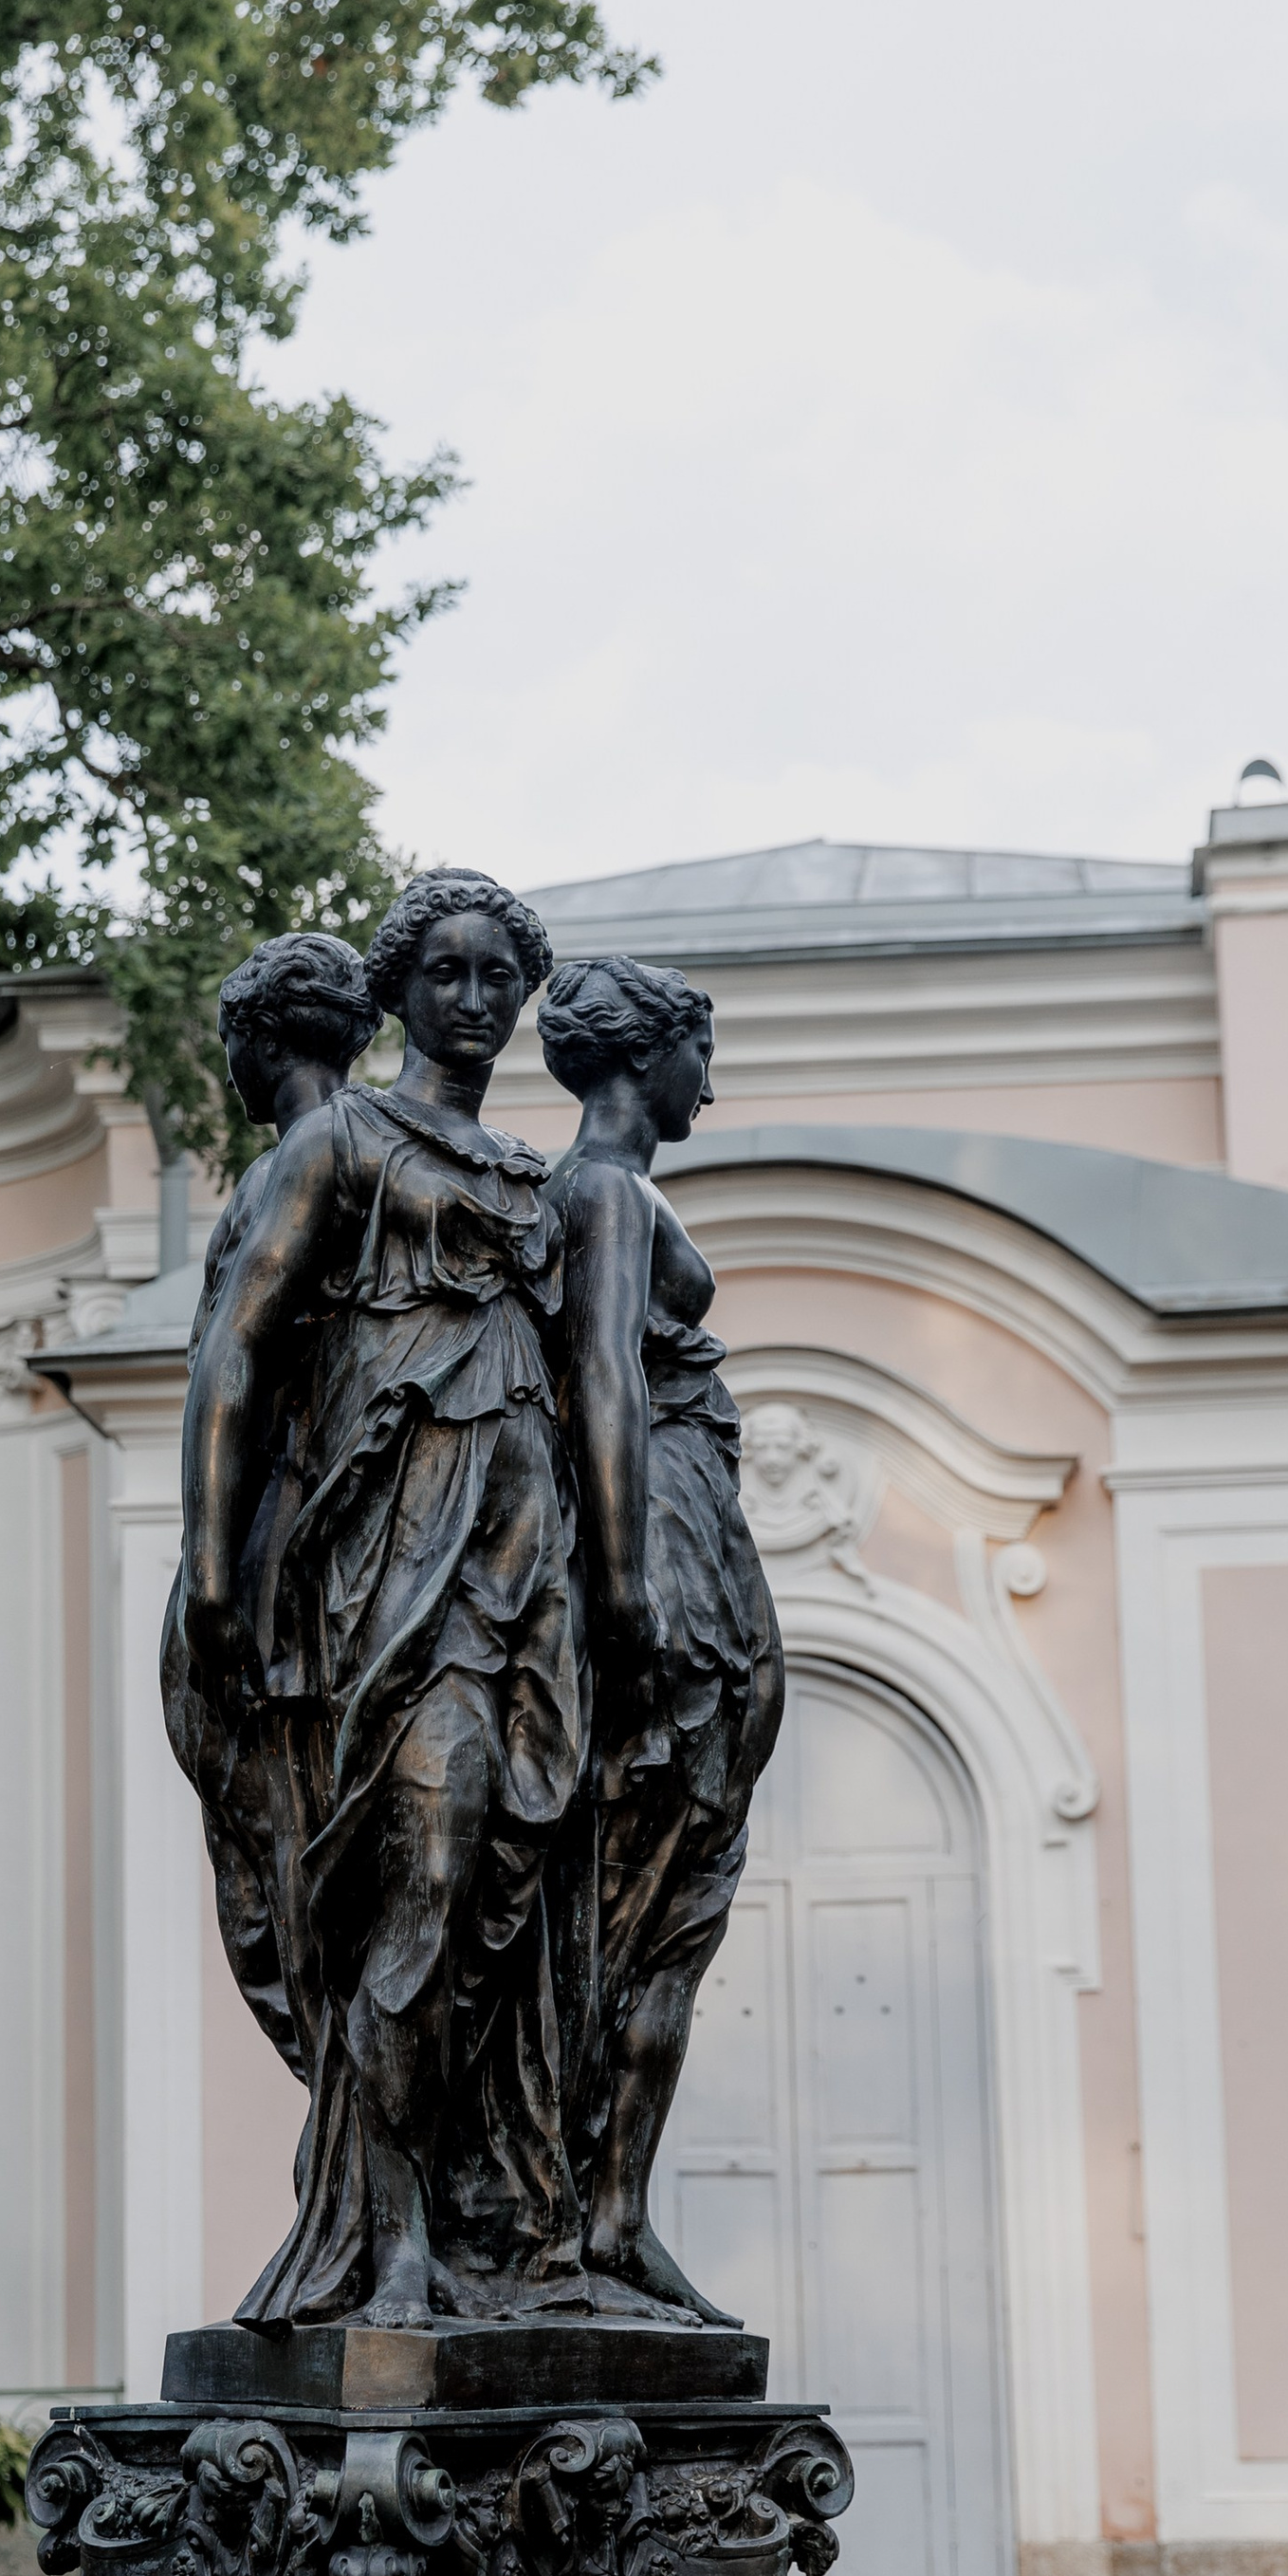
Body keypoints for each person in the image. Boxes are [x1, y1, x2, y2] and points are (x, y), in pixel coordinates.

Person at [174, 870, 580, 2324]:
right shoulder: (337, 1144)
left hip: (527, 1565)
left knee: (508, 1897)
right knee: (426, 1853)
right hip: (389, 1569)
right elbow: (234, 1355)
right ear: (398, 991)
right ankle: (386, 2238)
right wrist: (219, 1577)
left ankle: (488, 2225)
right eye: (451, 973)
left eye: (500, 979)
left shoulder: (535, 1179)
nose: (478, 1001)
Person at [540, 952, 783, 2315]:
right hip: (665, 1550)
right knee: (641, 1903)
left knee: (670, 1906)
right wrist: (629, 1588)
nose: (713, 1079)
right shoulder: (605, 1193)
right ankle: (599, 2213)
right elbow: (601, 1391)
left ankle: (616, 2212)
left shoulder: (610, 1192)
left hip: (688, 1533)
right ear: (650, 1057)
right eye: (704, 1050)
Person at [161, 931, 381, 2078]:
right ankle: (357, 2151)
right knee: (287, 1848)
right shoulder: (367, 1154)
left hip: (279, 1551)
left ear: (259, 1038)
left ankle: (356, 2138)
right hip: (315, 1543)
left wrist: (206, 1564)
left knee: (281, 1850)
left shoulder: (308, 1154)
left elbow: (230, 1361)